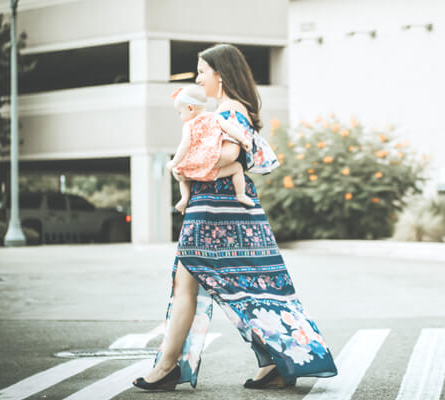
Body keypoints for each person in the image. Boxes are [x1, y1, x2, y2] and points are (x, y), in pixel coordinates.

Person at [133, 44, 337, 392]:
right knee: (251, 285)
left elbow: (231, 156)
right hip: (225, 209)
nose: (198, 78)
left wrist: (190, 168)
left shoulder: (228, 112)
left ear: (221, 75)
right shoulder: (230, 110)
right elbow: (243, 158)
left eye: (202, 71)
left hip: (216, 210)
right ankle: (280, 361)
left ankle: (169, 366)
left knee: (193, 284)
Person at [166, 85, 255, 212]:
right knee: (237, 168)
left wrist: (174, 162)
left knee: (180, 175)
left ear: (190, 108)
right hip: (214, 161)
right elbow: (230, 128)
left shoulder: (189, 125)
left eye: (180, 112)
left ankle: (184, 199)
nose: (180, 116)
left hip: (195, 164)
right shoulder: (215, 117)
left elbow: (184, 145)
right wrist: (243, 140)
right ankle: (241, 194)